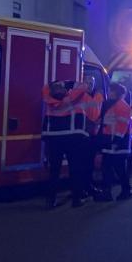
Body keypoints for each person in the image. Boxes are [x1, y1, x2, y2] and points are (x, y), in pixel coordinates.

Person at [42, 80, 88, 208]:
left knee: (54, 171)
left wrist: (54, 85)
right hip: (72, 138)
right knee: (75, 169)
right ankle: (76, 199)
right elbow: (83, 86)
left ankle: (50, 201)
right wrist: (68, 83)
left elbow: (45, 88)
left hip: (54, 139)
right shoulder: (71, 98)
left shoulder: (48, 99)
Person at [95, 82, 132, 201]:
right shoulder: (110, 104)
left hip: (118, 144)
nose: (110, 93)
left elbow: (122, 126)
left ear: (118, 93)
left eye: (112, 91)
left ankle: (126, 190)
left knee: (119, 169)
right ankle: (107, 193)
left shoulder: (122, 106)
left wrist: (116, 140)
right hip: (109, 142)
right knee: (107, 168)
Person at [82, 75, 104, 196]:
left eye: (92, 82)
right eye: (87, 82)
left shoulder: (99, 96)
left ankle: (89, 186)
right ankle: (83, 187)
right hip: (83, 133)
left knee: (90, 163)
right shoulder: (79, 96)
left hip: (95, 133)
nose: (89, 85)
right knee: (83, 163)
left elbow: (102, 111)